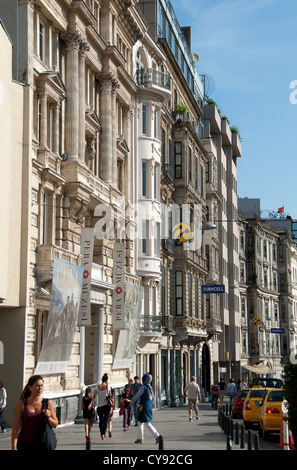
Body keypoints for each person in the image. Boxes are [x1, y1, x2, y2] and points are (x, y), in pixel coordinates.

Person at [11, 375, 58, 450]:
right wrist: (14, 447)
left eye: (42, 386)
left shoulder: (47, 403)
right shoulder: (21, 404)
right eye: (37, 386)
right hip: (24, 444)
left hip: (42, 445)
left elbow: (55, 424)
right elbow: (16, 428)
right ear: (30, 387)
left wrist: (49, 417)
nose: (40, 388)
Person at [131, 374, 162, 444]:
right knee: (140, 422)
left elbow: (136, 396)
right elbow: (153, 398)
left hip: (143, 406)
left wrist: (131, 403)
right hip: (148, 406)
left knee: (146, 422)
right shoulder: (149, 387)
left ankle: (157, 436)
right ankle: (140, 438)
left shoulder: (143, 387)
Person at [93, 373, 112, 440]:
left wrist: (92, 402)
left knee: (101, 420)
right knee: (106, 419)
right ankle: (103, 433)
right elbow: (110, 395)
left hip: (99, 406)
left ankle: (101, 433)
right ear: (107, 380)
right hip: (106, 405)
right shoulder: (107, 386)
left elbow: (94, 396)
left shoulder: (97, 387)